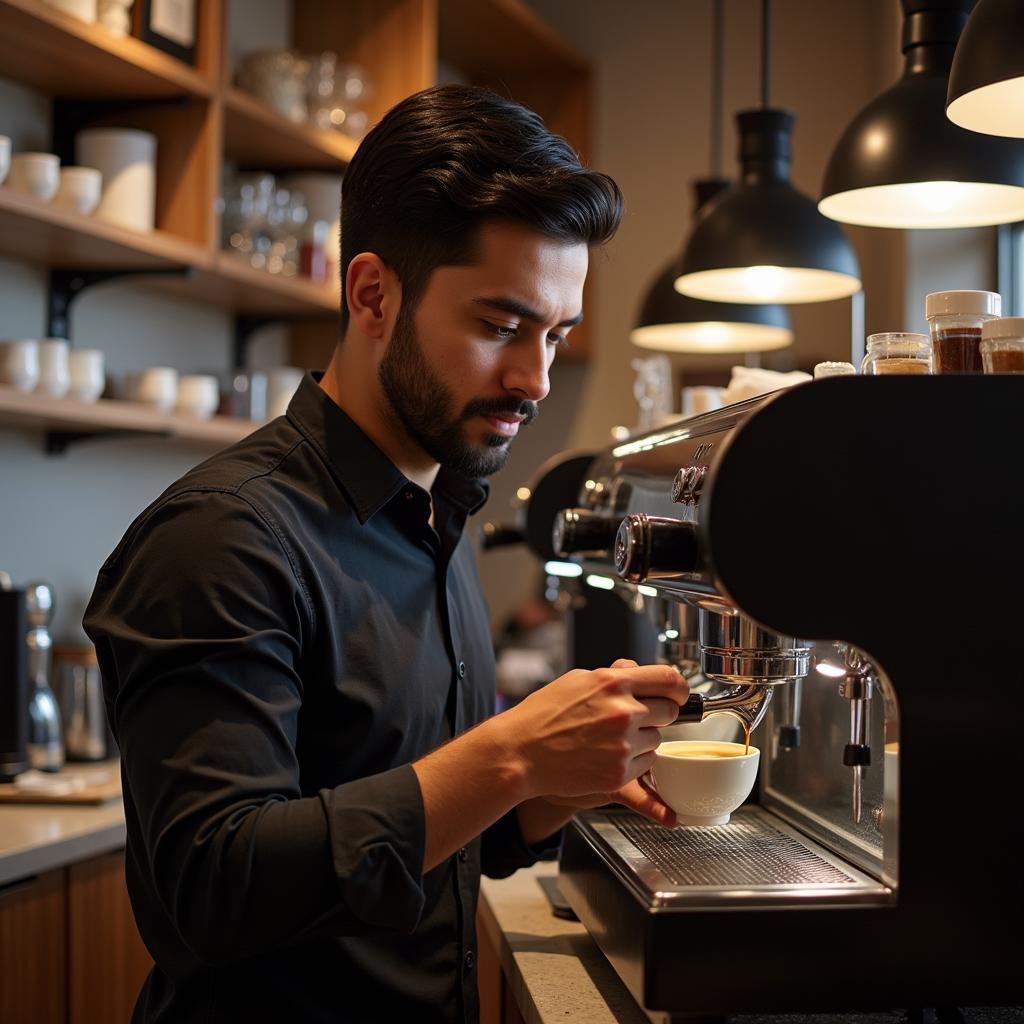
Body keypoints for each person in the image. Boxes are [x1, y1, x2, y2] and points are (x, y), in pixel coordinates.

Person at [83, 84, 688, 1024]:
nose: (535, 377)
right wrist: (513, 757)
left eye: (556, 335)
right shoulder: (221, 539)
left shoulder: (437, 515)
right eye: (500, 326)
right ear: (372, 295)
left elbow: (424, 843)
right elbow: (210, 888)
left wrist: (560, 782)